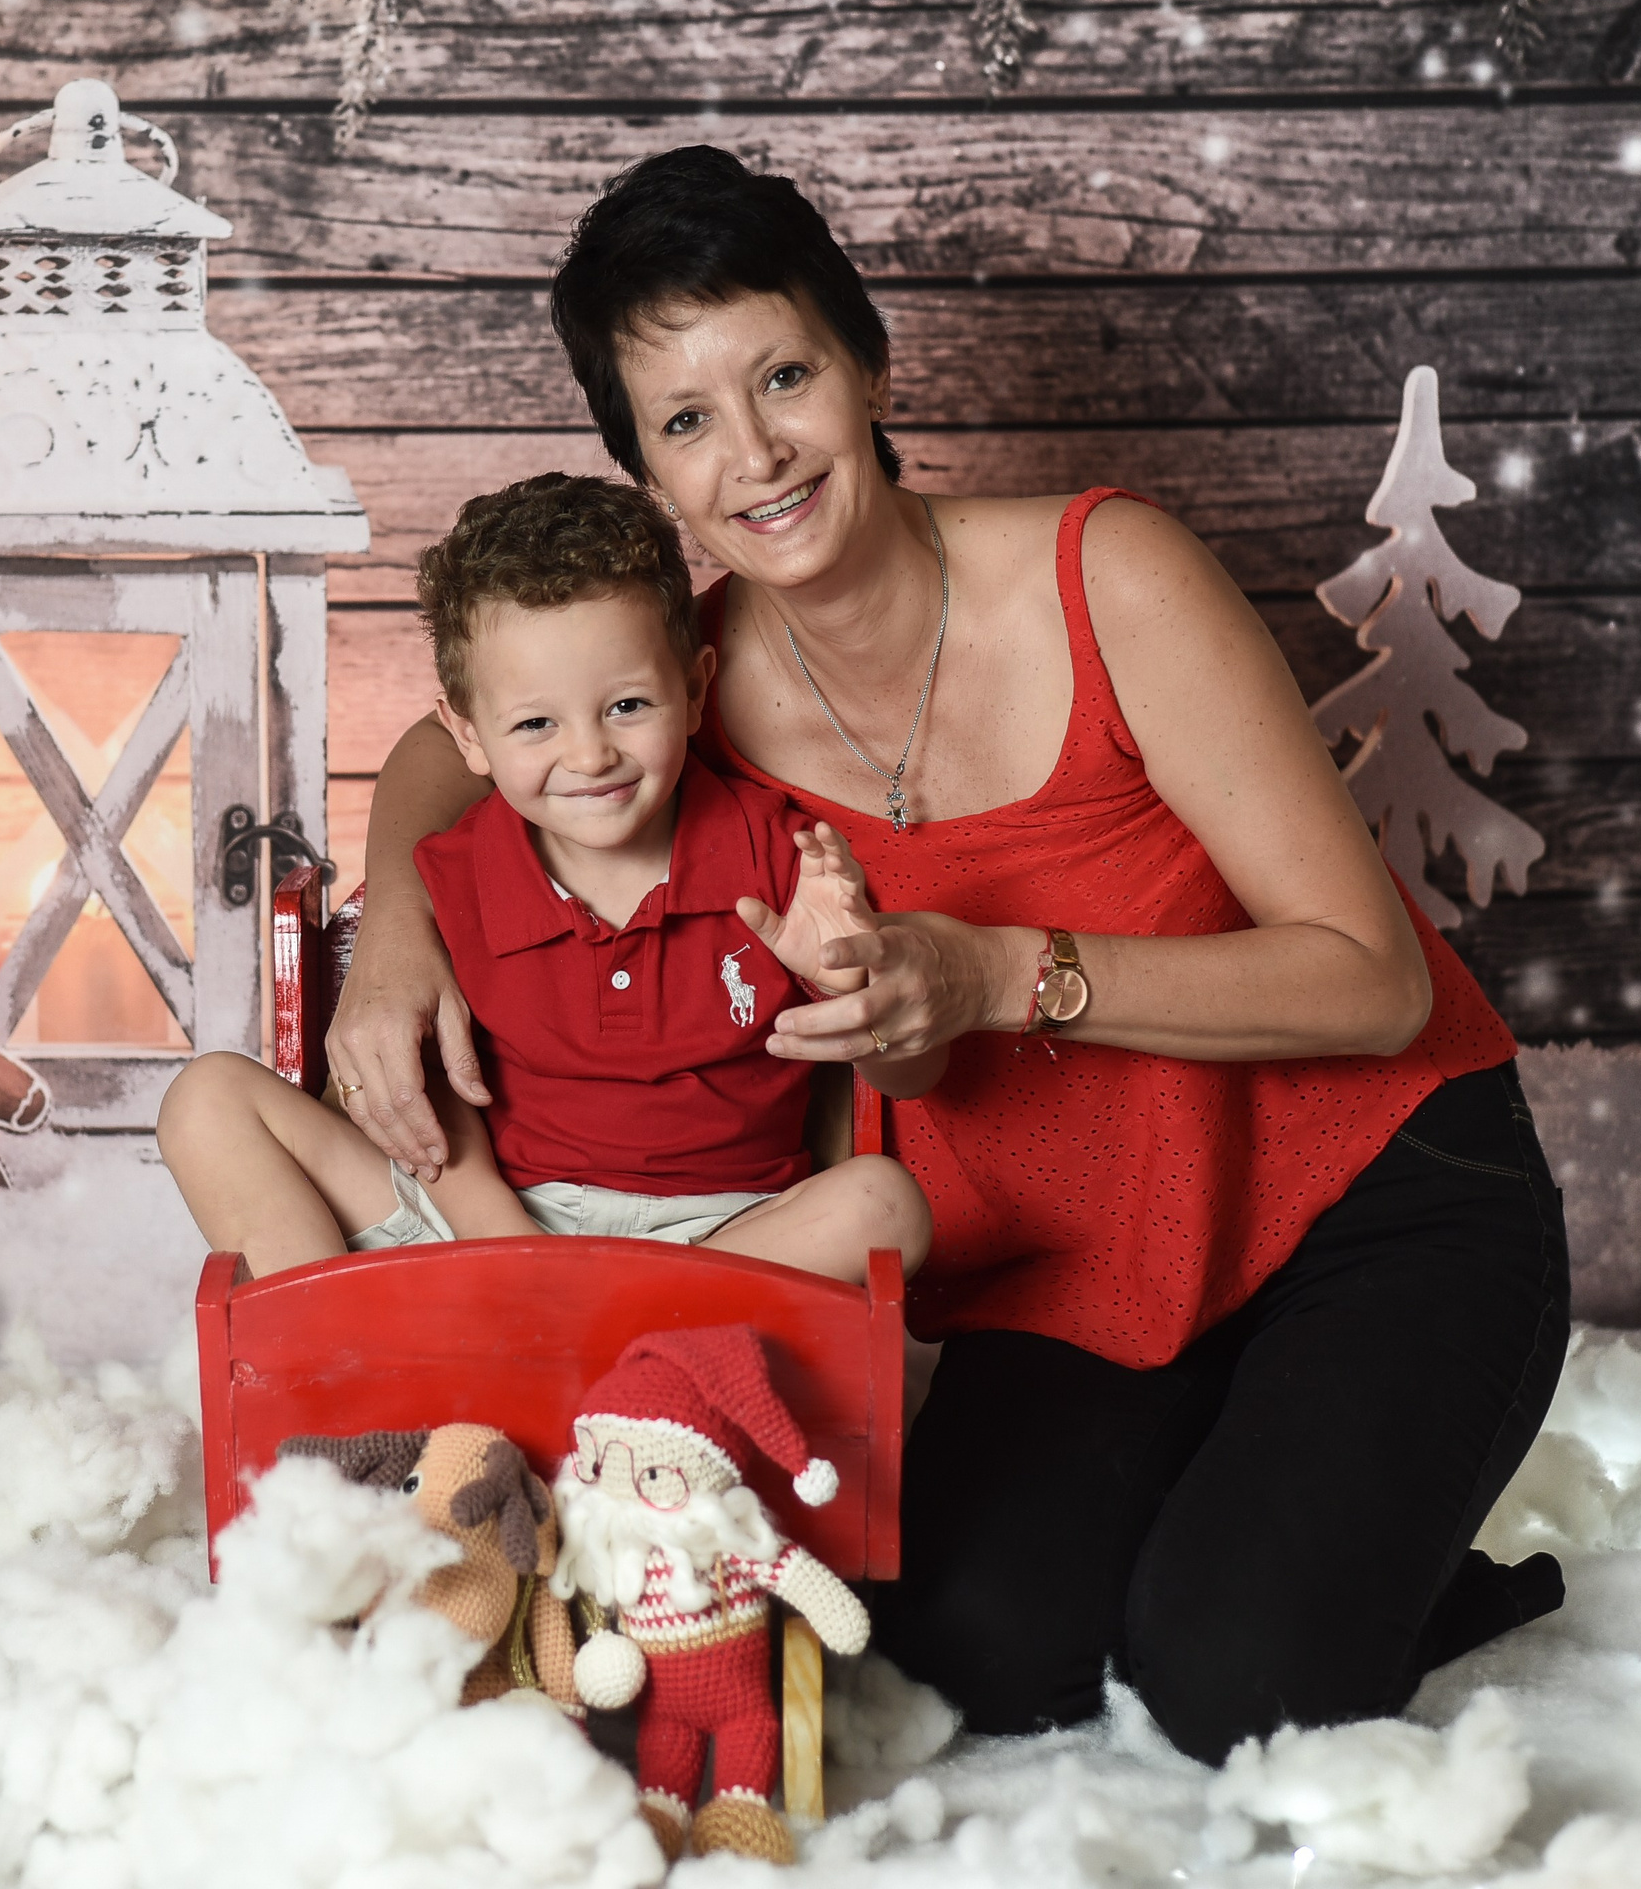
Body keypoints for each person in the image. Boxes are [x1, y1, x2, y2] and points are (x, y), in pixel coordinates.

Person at [323, 145, 1569, 1766]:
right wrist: (396, 932)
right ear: (645, 469)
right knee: (973, 1648)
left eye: (784, 375)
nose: (755, 451)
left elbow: (1370, 978)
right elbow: (447, 746)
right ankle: (1264, 1503)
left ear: (870, 366)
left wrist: (1000, 975)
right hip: (1086, 1274)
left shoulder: (1103, 573)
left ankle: (1381, 1555)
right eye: (685, 421)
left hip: (1379, 1200)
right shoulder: (670, 689)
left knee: (1234, 1683)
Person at [159, 473, 934, 1286]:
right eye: (535, 724)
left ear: (696, 688)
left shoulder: (783, 858)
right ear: (468, 735)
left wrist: (853, 983)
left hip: (715, 1247)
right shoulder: (454, 871)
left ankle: (582, 1352)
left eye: (628, 706)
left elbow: (908, 1077)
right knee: (206, 1100)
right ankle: (334, 1375)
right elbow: (428, 1088)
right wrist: (505, 1244)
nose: (590, 755)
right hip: (484, 1226)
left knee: (887, 1205)